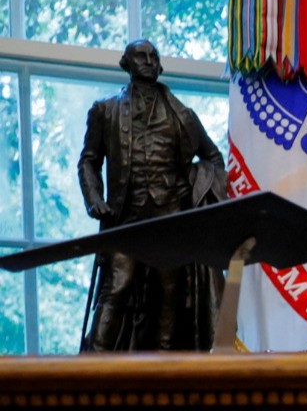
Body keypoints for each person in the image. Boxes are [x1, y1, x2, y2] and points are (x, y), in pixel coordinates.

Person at [78, 39, 228, 351]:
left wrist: (199, 191)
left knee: (169, 293)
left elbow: (213, 158)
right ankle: (93, 363)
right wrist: (95, 200)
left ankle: (164, 364)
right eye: (141, 56)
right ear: (126, 63)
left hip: (170, 218)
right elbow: (89, 162)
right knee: (116, 288)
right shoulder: (105, 111)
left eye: (153, 56)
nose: (148, 61)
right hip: (125, 218)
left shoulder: (182, 115)